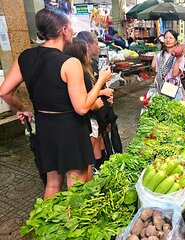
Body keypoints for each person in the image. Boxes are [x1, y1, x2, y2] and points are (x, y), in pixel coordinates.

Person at [0, 8, 112, 199]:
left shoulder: (25, 57)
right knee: (76, 183)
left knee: (52, 183)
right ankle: (73, 226)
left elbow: (4, 91)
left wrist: (23, 109)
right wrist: (101, 80)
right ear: (64, 30)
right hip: (69, 128)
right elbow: (82, 107)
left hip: (44, 126)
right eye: (70, 26)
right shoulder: (69, 63)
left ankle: (48, 225)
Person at [77, 31, 123, 167]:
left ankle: (103, 165)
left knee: (102, 138)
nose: (99, 46)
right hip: (92, 110)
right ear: (87, 46)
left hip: (101, 109)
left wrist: (107, 95)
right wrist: (103, 91)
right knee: (96, 139)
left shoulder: (94, 62)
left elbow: (100, 84)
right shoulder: (80, 68)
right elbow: (86, 93)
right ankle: (97, 167)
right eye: (96, 43)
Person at [152, 30, 185, 101]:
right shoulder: (160, 55)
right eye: (166, 38)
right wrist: (157, 77)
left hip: (174, 90)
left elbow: (175, 74)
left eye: (171, 38)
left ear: (176, 41)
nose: (168, 40)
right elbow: (156, 70)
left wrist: (177, 58)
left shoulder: (181, 56)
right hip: (161, 89)